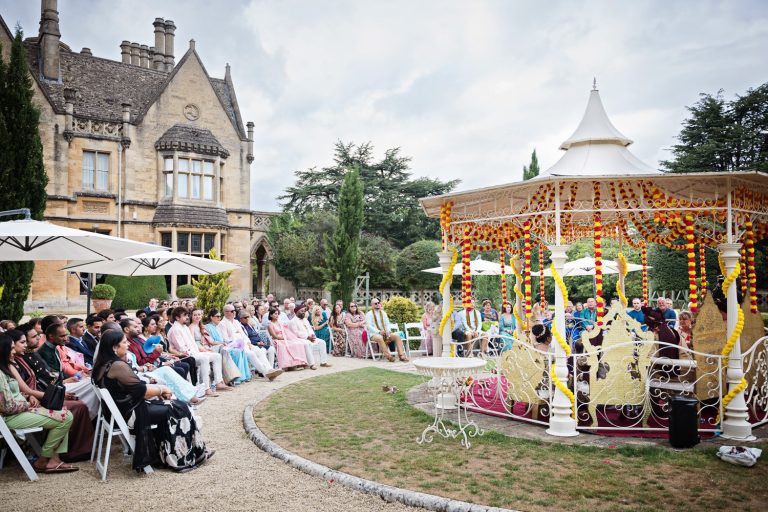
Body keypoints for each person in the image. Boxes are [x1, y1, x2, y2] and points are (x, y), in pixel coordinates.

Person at [92, 330, 213, 472]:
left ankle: (176, 453)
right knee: (180, 407)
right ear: (114, 347)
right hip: (131, 413)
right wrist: (162, 389)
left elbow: (135, 389)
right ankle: (182, 457)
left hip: (120, 411)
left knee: (174, 405)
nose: (128, 344)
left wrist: (160, 390)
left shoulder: (103, 364)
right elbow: (141, 391)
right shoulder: (117, 366)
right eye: (124, 342)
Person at [10, 328, 94, 462]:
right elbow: (20, 391)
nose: (23, 346)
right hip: (17, 410)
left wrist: (31, 396)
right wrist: (30, 397)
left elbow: (36, 382)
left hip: (33, 399)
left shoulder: (22, 358)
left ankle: (64, 454)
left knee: (71, 409)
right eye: (21, 343)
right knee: (67, 412)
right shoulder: (11, 364)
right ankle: (53, 457)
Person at [0, 334, 76, 473]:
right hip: (10, 417)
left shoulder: (6, 367)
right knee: (65, 417)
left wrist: (28, 396)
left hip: (19, 411)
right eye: (11, 348)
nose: (13, 351)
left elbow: (14, 393)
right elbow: (7, 406)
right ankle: (45, 460)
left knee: (64, 413)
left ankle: (51, 459)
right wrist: (28, 404)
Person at [167, 307, 232, 396]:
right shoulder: (175, 329)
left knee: (216, 356)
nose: (187, 317)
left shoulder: (184, 327)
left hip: (194, 352)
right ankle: (206, 388)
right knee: (204, 358)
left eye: (187, 315)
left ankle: (218, 382)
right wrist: (199, 353)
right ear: (177, 318)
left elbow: (192, 344)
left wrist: (202, 351)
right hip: (185, 356)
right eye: (184, 316)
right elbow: (182, 348)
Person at [219, 304, 282, 380]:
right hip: (236, 347)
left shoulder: (236, 322)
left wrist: (248, 343)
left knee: (260, 351)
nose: (234, 312)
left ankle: (270, 369)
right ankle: (266, 372)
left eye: (234, 311)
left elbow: (244, 334)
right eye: (232, 311)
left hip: (246, 344)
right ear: (226, 312)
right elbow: (226, 339)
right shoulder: (222, 324)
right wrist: (238, 343)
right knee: (251, 354)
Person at [191, 309, 241, 386]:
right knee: (222, 350)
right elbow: (192, 342)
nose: (197, 316)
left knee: (223, 348)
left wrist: (222, 343)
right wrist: (204, 349)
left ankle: (228, 377)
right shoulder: (191, 327)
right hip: (199, 348)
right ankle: (228, 376)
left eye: (199, 314)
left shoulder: (202, 326)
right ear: (191, 316)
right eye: (195, 315)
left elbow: (211, 342)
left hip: (208, 346)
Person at [204, 308, 251, 384]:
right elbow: (211, 342)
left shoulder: (218, 326)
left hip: (223, 345)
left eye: (220, 316)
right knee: (236, 352)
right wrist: (222, 343)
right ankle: (236, 377)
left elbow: (224, 339)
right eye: (217, 316)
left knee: (241, 349)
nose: (219, 318)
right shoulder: (207, 327)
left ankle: (244, 376)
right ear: (211, 317)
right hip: (216, 347)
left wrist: (229, 343)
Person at [286, 302, 330, 367]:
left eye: (304, 311)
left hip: (310, 337)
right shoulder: (292, 321)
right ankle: (312, 364)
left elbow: (310, 329)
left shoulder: (305, 320)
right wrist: (307, 337)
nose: (303, 312)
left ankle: (323, 362)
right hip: (299, 339)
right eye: (302, 311)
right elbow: (296, 333)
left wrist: (312, 335)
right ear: (296, 312)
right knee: (307, 344)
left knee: (322, 342)